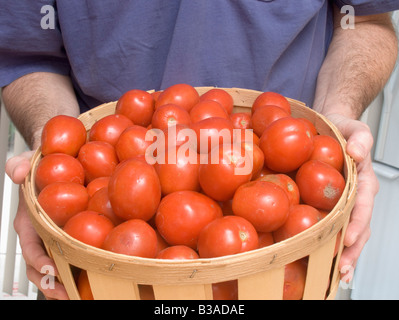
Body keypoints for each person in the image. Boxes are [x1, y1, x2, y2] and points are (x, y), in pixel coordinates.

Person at [1, 1, 398, 300]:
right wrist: (52, 149)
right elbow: (28, 55)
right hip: (98, 260)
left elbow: (364, 19)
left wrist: (337, 119)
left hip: (285, 238)